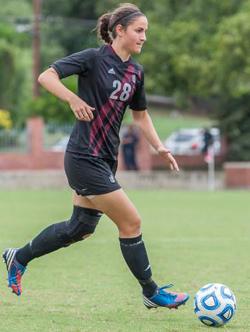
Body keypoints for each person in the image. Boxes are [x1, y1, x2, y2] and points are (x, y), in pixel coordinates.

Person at [3, 3, 189, 309]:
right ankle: (151, 292)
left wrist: (159, 146)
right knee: (131, 221)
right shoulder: (93, 58)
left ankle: (18, 257)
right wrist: (73, 98)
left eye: (146, 32)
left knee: (80, 228)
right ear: (120, 30)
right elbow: (46, 77)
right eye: (139, 30)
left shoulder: (136, 73)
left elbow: (140, 117)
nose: (144, 37)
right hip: (83, 156)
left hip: (104, 159)